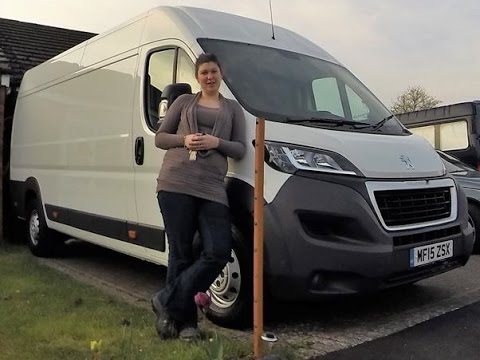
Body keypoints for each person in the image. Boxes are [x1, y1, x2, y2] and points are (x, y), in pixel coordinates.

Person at [151, 53, 246, 341]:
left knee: (218, 250)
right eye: (203, 72)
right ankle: (186, 326)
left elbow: (240, 149)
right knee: (181, 253)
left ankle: (166, 299)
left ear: (221, 73)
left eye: (213, 71)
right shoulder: (183, 103)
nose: (209, 77)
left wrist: (216, 142)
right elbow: (160, 138)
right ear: (197, 76)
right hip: (176, 182)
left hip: (212, 188)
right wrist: (184, 140)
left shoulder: (233, 109)